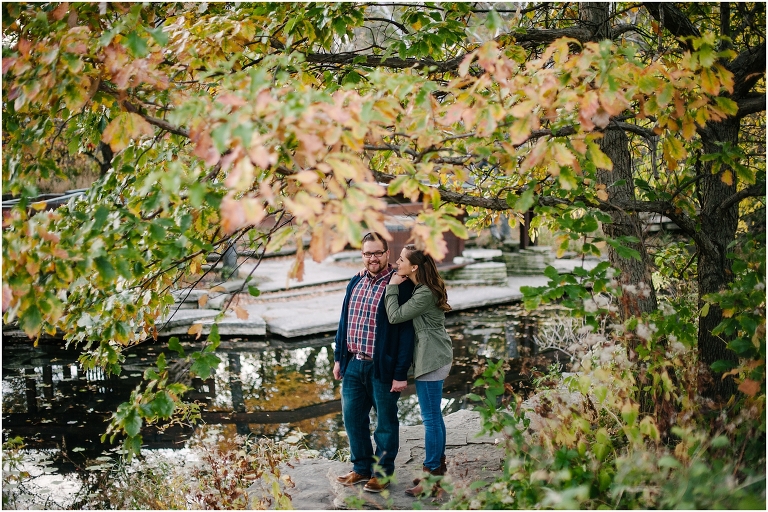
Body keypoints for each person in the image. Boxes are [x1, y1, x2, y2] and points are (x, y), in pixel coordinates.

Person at [333, 232, 416, 493]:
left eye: (378, 252)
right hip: (354, 364)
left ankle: (381, 474)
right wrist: (338, 358)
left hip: (383, 367)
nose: (372, 258)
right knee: (353, 419)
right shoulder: (354, 282)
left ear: (387, 253)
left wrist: (400, 373)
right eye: (368, 253)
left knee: (385, 424)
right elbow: (344, 321)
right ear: (362, 255)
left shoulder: (400, 285)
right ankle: (361, 469)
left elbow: (405, 335)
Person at [385, 244, 453, 497]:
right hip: (433, 356)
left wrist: (392, 286)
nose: (396, 263)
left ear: (414, 267)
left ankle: (432, 474)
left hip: (432, 359)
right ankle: (437, 469)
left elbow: (395, 315)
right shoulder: (421, 288)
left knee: (430, 419)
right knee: (434, 417)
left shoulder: (424, 294)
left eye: (401, 260)